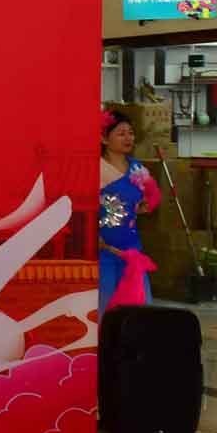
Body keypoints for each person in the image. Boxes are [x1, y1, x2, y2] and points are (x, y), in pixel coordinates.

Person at [97, 109, 161, 312]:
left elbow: (151, 198)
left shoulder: (137, 169)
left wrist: (143, 205)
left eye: (131, 133)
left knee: (135, 313)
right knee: (104, 309)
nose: (128, 138)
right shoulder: (94, 168)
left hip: (131, 250)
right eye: (121, 133)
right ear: (104, 139)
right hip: (103, 250)